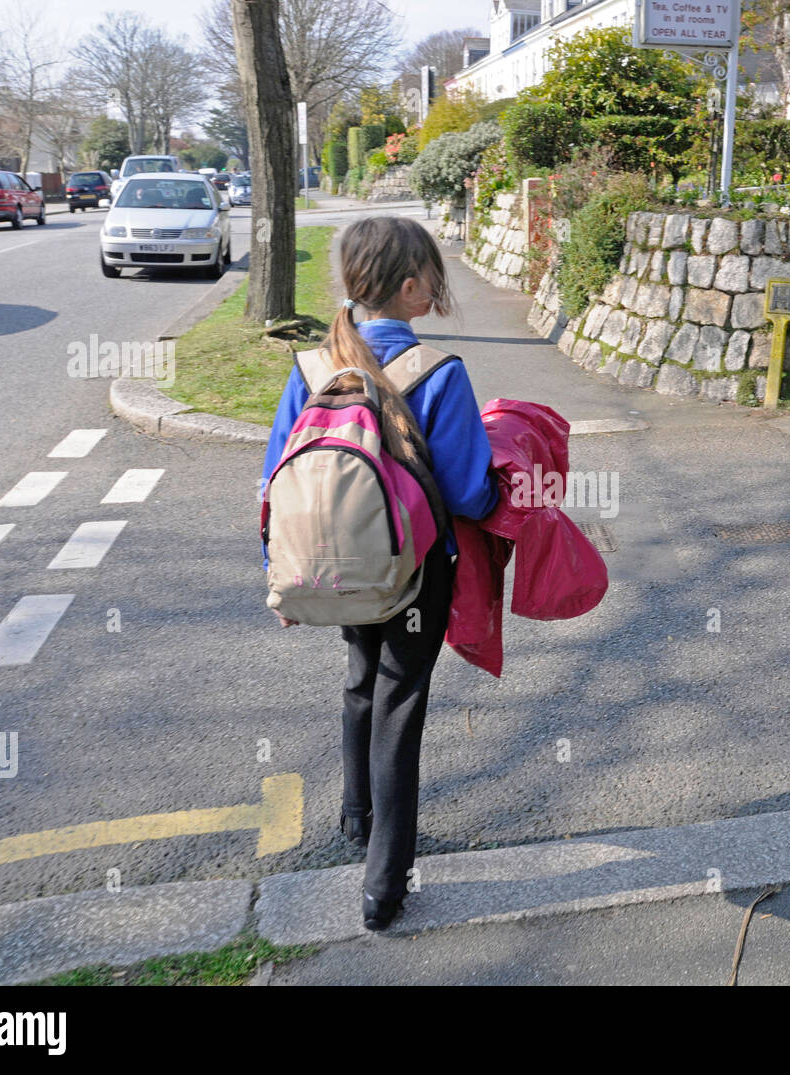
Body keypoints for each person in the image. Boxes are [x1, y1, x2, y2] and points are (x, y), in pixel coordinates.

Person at [261, 216, 499, 929]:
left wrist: (277, 570)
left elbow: (275, 479)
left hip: (331, 569)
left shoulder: (309, 369)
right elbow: (466, 491)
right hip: (414, 575)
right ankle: (384, 883)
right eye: (431, 274)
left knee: (361, 684)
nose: (437, 285)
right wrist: (502, 488)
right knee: (401, 704)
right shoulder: (437, 372)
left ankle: (356, 820)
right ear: (406, 286)